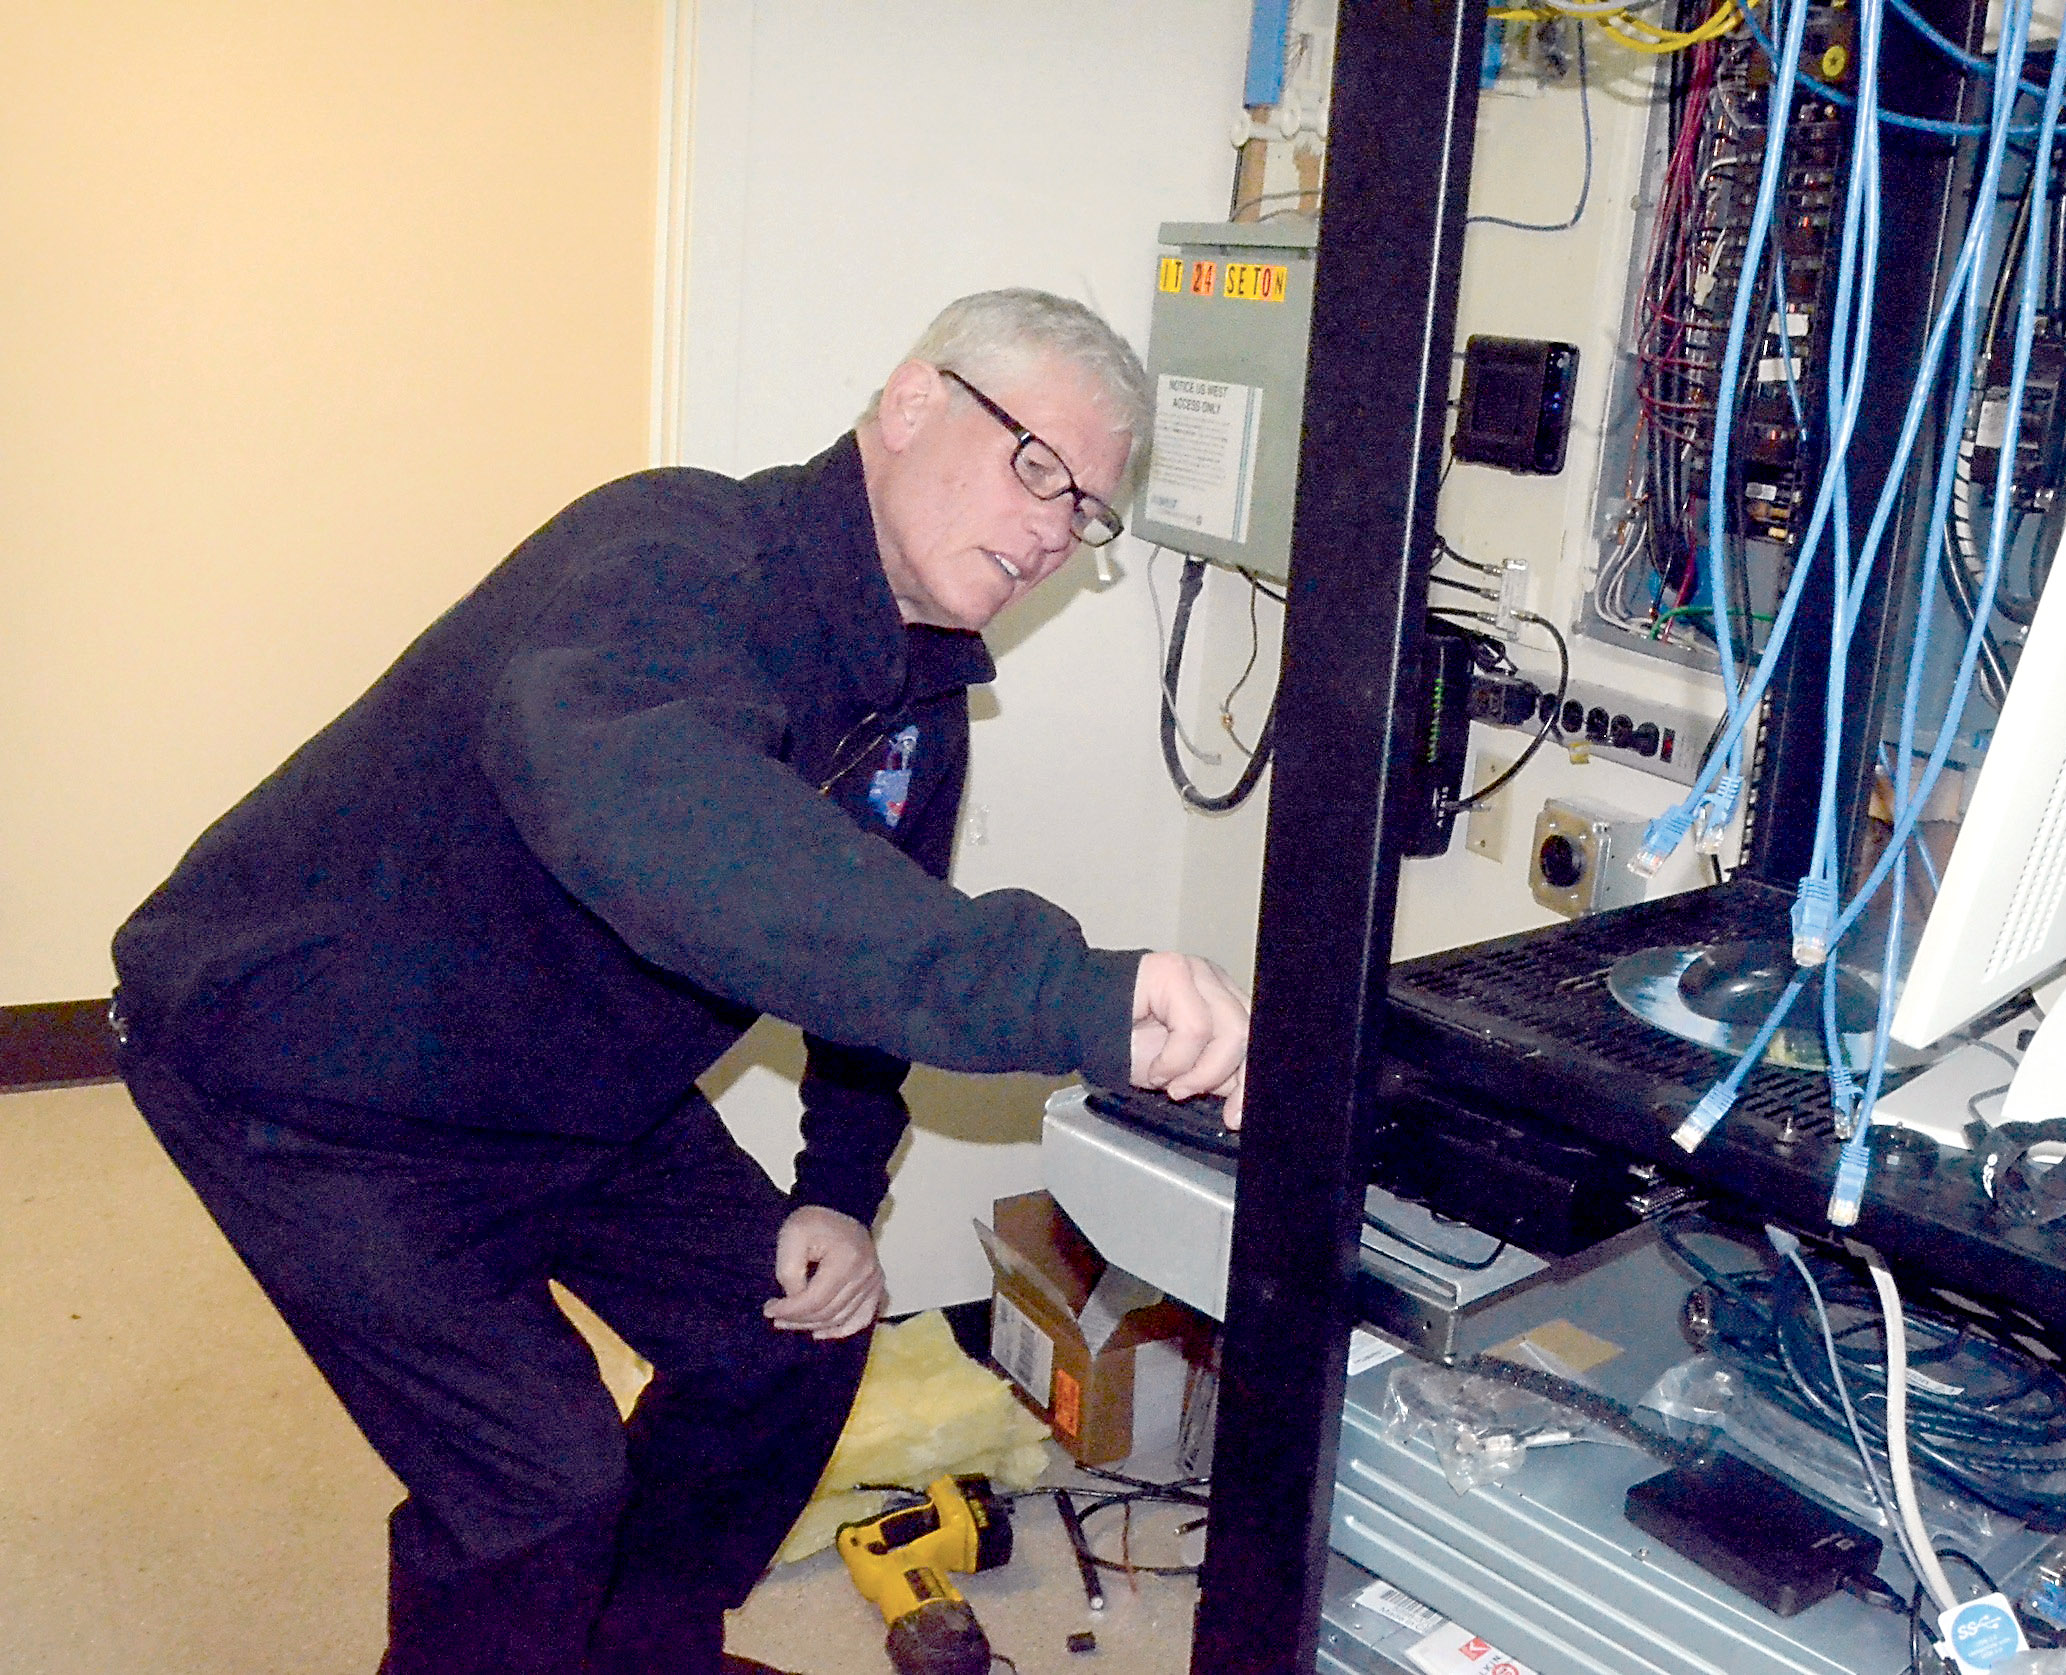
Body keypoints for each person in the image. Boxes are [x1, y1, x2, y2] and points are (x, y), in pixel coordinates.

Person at [109, 288, 1248, 1675]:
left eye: (1086, 513)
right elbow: (665, 815)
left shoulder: (916, 695)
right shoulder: (672, 552)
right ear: (911, 403)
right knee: (538, 1484)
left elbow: (863, 943)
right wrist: (1068, 994)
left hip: (568, 1080)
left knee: (790, 1342)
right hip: (317, 1076)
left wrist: (837, 1188)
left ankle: (637, 1654)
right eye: (1036, 467)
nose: (1054, 531)